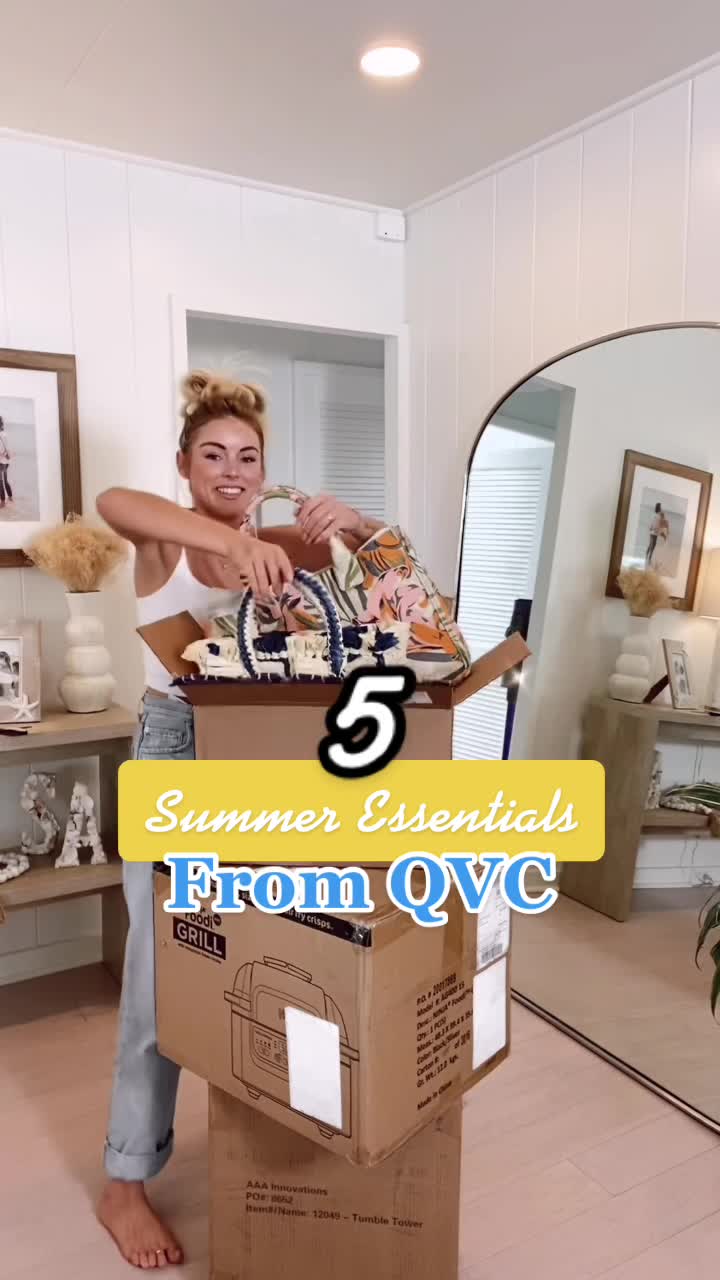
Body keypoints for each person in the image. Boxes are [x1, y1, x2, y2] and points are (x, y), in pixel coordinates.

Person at [95, 370, 383, 1270]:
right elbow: (112, 502)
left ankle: (271, 1152)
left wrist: (354, 525)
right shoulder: (165, 542)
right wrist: (230, 539)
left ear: (266, 469)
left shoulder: (284, 546)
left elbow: (392, 583)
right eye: (212, 454)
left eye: (248, 456)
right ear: (186, 466)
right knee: (160, 969)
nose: (231, 469)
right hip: (176, 754)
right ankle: (124, 1181)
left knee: (272, 953)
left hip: (267, 756)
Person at [646, 502, 665, 568]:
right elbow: (658, 525)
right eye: (660, 507)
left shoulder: (655, 515)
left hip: (653, 532)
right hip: (654, 532)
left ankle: (646, 556)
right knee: (652, 546)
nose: (661, 508)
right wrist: (660, 533)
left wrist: (651, 528)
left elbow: (652, 523)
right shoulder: (658, 516)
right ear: (659, 508)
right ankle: (649, 559)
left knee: (650, 545)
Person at [0, 416, 13, 508]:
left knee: (0, 481)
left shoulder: (1, 435)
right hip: (6, 461)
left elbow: (3, 450)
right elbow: (8, 449)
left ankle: (3, 502)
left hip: (1, 461)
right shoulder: (5, 434)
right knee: (5, 480)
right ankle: (10, 497)